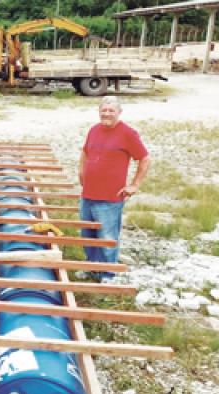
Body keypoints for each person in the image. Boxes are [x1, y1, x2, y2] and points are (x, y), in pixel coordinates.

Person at [78, 95, 151, 282]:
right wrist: (81, 173)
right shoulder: (94, 130)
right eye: (104, 110)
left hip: (110, 197)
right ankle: (92, 265)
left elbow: (144, 158)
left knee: (107, 235)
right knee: (88, 233)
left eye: (111, 111)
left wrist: (135, 184)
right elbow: (85, 153)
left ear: (119, 112)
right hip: (88, 194)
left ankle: (108, 273)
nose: (107, 114)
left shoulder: (127, 133)